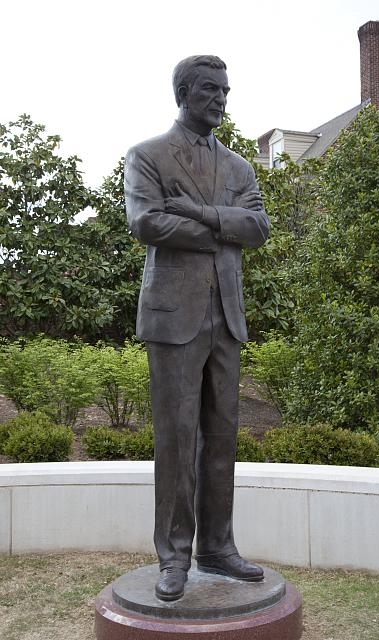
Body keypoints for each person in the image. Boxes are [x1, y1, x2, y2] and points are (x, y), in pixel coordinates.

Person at [124, 55, 269, 601]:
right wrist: (223, 228)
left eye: (226, 90)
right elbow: (148, 221)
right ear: (184, 92)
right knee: (177, 440)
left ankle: (217, 547)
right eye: (210, 89)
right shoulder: (148, 155)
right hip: (173, 318)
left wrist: (205, 215)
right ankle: (174, 557)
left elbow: (257, 227)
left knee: (223, 439)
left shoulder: (239, 168)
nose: (222, 99)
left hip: (226, 316)